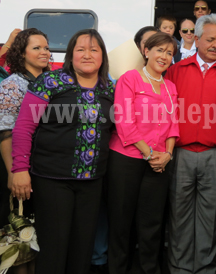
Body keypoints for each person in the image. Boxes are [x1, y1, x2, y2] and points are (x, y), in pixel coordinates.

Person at [11, 29, 115, 274]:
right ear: (70, 55)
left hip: (92, 182)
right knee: (54, 249)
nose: (87, 55)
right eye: (80, 49)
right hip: (52, 180)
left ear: (102, 56)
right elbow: (24, 126)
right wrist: (19, 169)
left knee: (82, 249)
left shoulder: (110, 88)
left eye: (94, 49)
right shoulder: (50, 82)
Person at [165, 13, 216, 274]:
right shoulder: (176, 70)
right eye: (210, 39)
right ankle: (179, 268)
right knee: (179, 215)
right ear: (196, 39)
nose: (215, 45)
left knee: (210, 217)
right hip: (181, 153)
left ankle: (205, 269)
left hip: (214, 155)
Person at [107, 32, 179, 274]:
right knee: (121, 224)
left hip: (159, 163)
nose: (164, 56)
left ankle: (149, 270)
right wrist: (150, 155)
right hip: (127, 160)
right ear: (146, 52)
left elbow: (173, 124)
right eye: (160, 50)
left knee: (152, 224)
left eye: (169, 53)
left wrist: (167, 155)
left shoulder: (170, 87)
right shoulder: (130, 79)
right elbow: (124, 122)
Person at [0, 28, 51, 274]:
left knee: (38, 234)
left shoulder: (52, 81)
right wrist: (14, 171)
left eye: (46, 47)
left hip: (43, 167)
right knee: (20, 232)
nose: (45, 52)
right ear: (22, 53)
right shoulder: (13, 84)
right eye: (37, 48)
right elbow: (5, 132)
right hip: (19, 167)